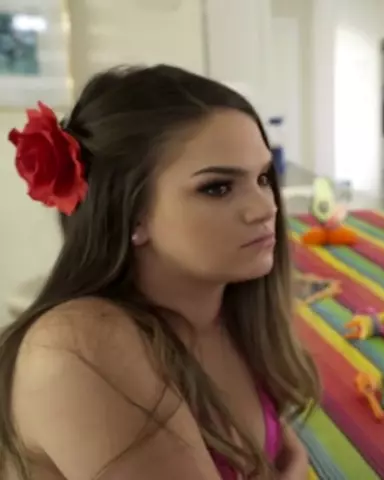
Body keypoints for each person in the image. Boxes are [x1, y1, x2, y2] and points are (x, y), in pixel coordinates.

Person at [0, 65, 319, 480]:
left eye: (262, 178)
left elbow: (273, 445)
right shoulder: (80, 346)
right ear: (131, 212)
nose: (266, 207)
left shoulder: (226, 314)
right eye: (218, 187)